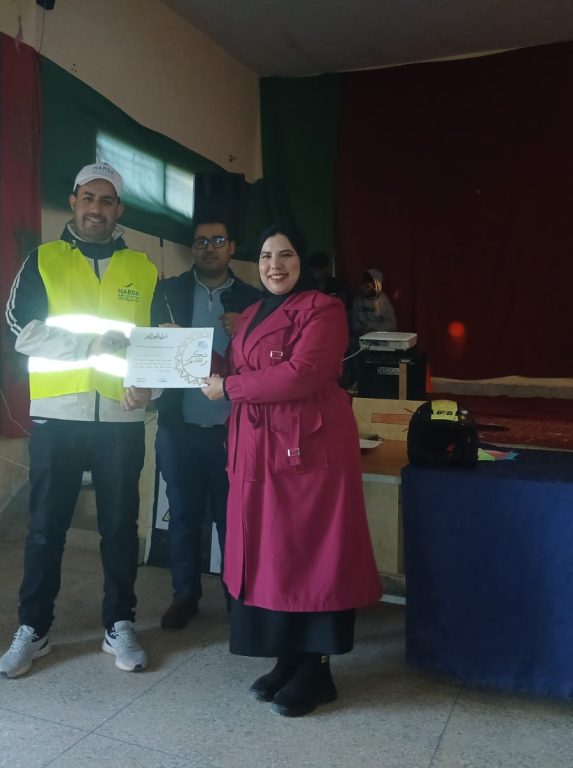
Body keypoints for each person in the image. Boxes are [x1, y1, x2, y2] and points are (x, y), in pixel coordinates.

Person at [200, 224, 381, 717]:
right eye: (265, 256)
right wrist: (189, 352)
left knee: (310, 555)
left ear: (302, 261)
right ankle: (288, 659)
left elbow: (303, 373)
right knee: (274, 554)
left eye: (285, 255)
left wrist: (230, 390)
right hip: (258, 449)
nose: (274, 265)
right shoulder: (252, 314)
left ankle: (317, 671)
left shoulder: (324, 309)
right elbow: (238, 370)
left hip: (309, 450)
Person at [0, 162, 157, 678]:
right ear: (73, 201)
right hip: (58, 415)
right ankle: (34, 628)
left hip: (121, 419)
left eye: (106, 200)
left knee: (120, 528)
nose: (96, 208)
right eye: (89, 198)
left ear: (119, 209)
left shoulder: (143, 268)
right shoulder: (43, 259)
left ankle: (119, 623)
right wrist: (91, 344)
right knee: (46, 528)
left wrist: (150, 387)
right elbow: (20, 329)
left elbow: (160, 342)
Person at [150, 216, 261, 630]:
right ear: (191, 248)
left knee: (234, 519)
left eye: (218, 240)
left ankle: (238, 596)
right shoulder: (168, 292)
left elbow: (266, 361)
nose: (209, 248)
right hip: (179, 427)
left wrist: (246, 328)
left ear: (232, 247)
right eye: (201, 242)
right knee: (182, 515)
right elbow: (149, 351)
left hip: (235, 430)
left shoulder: (253, 298)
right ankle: (185, 594)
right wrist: (160, 339)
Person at [350, 268, 397, 337]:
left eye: (370, 284)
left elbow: (392, 324)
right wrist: (362, 330)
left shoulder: (383, 299)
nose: (367, 285)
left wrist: (373, 328)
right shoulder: (357, 299)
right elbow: (354, 323)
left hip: (380, 336)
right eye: (365, 282)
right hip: (362, 336)